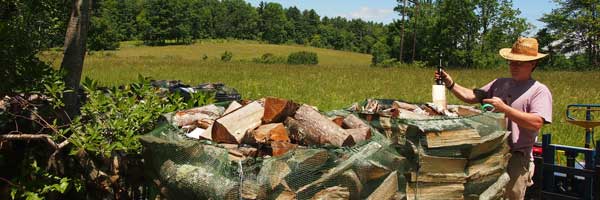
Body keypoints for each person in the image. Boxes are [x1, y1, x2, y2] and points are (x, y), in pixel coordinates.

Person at [435, 37, 553, 200]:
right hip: (491, 152)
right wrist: (451, 84)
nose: (514, 66)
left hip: (516, 157)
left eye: (519, 63)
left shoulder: (539, 91)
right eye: (511, 62)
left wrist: (505, 109)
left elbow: (536, 122)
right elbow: (473, 96)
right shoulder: (500, 83)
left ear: (533, 64)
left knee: (510, 195)